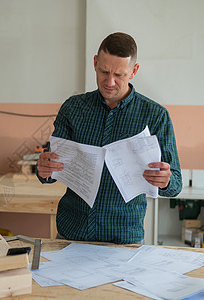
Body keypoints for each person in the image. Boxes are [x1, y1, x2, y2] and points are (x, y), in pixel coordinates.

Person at [36, 32, 182, 244]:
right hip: (70, 236)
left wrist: (166, 180)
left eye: (120, 75)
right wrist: (44, 169)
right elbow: (52, 168)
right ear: (95, 63)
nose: (110, 82)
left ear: (134, 71)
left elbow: (176, 183)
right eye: (104, 71)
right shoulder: (73, 108)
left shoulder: (155, 115)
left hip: (123, 240)